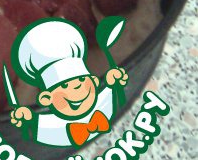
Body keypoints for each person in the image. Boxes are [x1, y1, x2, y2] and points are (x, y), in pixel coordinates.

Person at [10, 18, 128, 147]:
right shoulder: (53, 128)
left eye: (81, 80)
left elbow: (115, 94)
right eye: (65, 85)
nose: (76, 90)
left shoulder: (103, 103)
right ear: (46, 99)